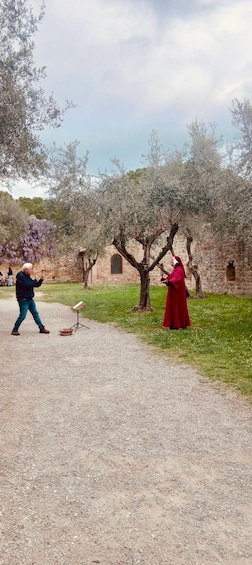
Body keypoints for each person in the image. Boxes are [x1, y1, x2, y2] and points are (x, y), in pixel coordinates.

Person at [11, 263, 50, 336]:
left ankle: (41, 327)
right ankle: (15, 330)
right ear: (26, 270)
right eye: (31, 269)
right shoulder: (21, 277)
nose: (32, 270)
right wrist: (35, 279)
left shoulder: (27, 276)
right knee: (22, 315)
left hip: (30, 299)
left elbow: (35, 285)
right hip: (23, 299)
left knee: (35, 314)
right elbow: (28, 285)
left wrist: (40, 280)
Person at [161, 255, 191, 330]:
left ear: (175, 261)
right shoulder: (176, 269)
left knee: (177, 307)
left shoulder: (179, 269)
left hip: (177, 293)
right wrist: (166, 279)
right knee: (174, 307)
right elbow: (172, 276)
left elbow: (177, 279)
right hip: (175, 292)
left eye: (172, 260)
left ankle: (178, 324)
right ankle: (174, 324)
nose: (171, 261)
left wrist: (169, 281)